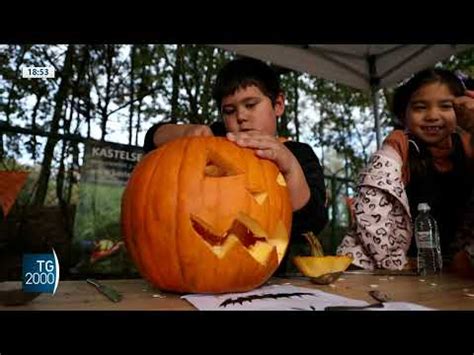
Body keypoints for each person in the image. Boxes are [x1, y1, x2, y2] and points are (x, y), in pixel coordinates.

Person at [143, 57, 328, 274]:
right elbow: (152, 139)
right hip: (197, 270)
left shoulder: (298, 154)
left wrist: (290, 167)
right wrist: (185, 133)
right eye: (229, 111)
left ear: (278, 105)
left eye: (251, 105)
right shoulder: (218, 139)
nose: (241, 117)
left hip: (267, 283)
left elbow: (311, 223)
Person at [337, 68, 474, 271]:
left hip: (442, 267)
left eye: (446, 106)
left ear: (462, 111)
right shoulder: (397, 148)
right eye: (420, 107)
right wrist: (396, 263)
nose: (432, 116)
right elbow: (371, 210)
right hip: (379, 266)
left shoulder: (466, 146)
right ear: (404, 114)